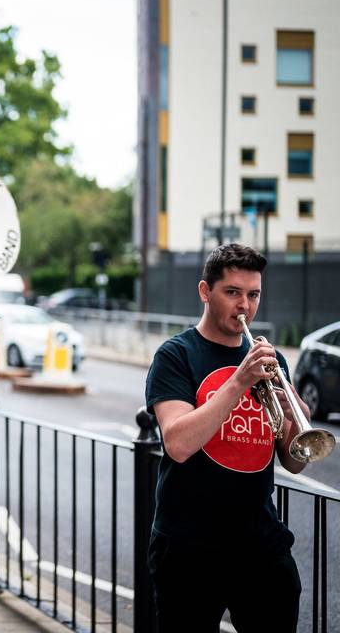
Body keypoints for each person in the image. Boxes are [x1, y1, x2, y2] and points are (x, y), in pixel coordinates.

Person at [145, 244, 305, 632]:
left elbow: (296, 461)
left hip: (260, 541)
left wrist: (292, 413)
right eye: (232, 292)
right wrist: (238, 382)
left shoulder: (271, 360)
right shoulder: (176, 355)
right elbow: (178, 444)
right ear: (205, 291)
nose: (245, 306)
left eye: (253, 295)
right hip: (189, 544)